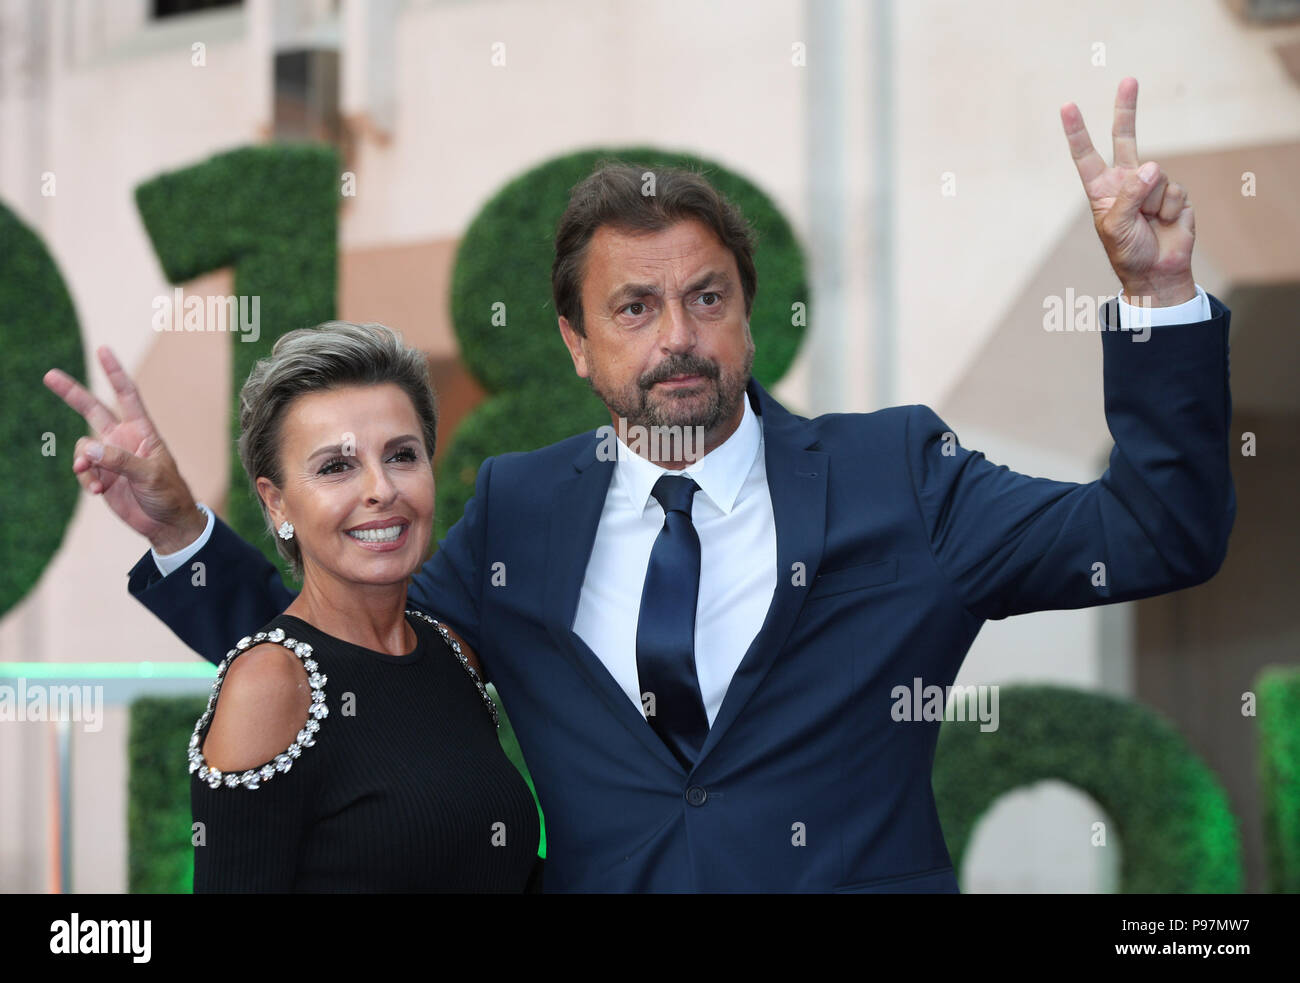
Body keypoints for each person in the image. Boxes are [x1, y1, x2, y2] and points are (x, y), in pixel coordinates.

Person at [49, 78, 1235, 892]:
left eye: (706, 297)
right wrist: (178, 530)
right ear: (575, 341)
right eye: (635, 306)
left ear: (747, 315)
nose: (678, 336)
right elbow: (347, 654)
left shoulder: (898, 477)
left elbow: (1153, 532)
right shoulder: (520, 509)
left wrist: (1157, 298)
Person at [49, 323, 541, 891]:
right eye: (337, 466)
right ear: (276, 502)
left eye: (402, 455)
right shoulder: (268, 682)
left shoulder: (451, 652)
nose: (381, 489)